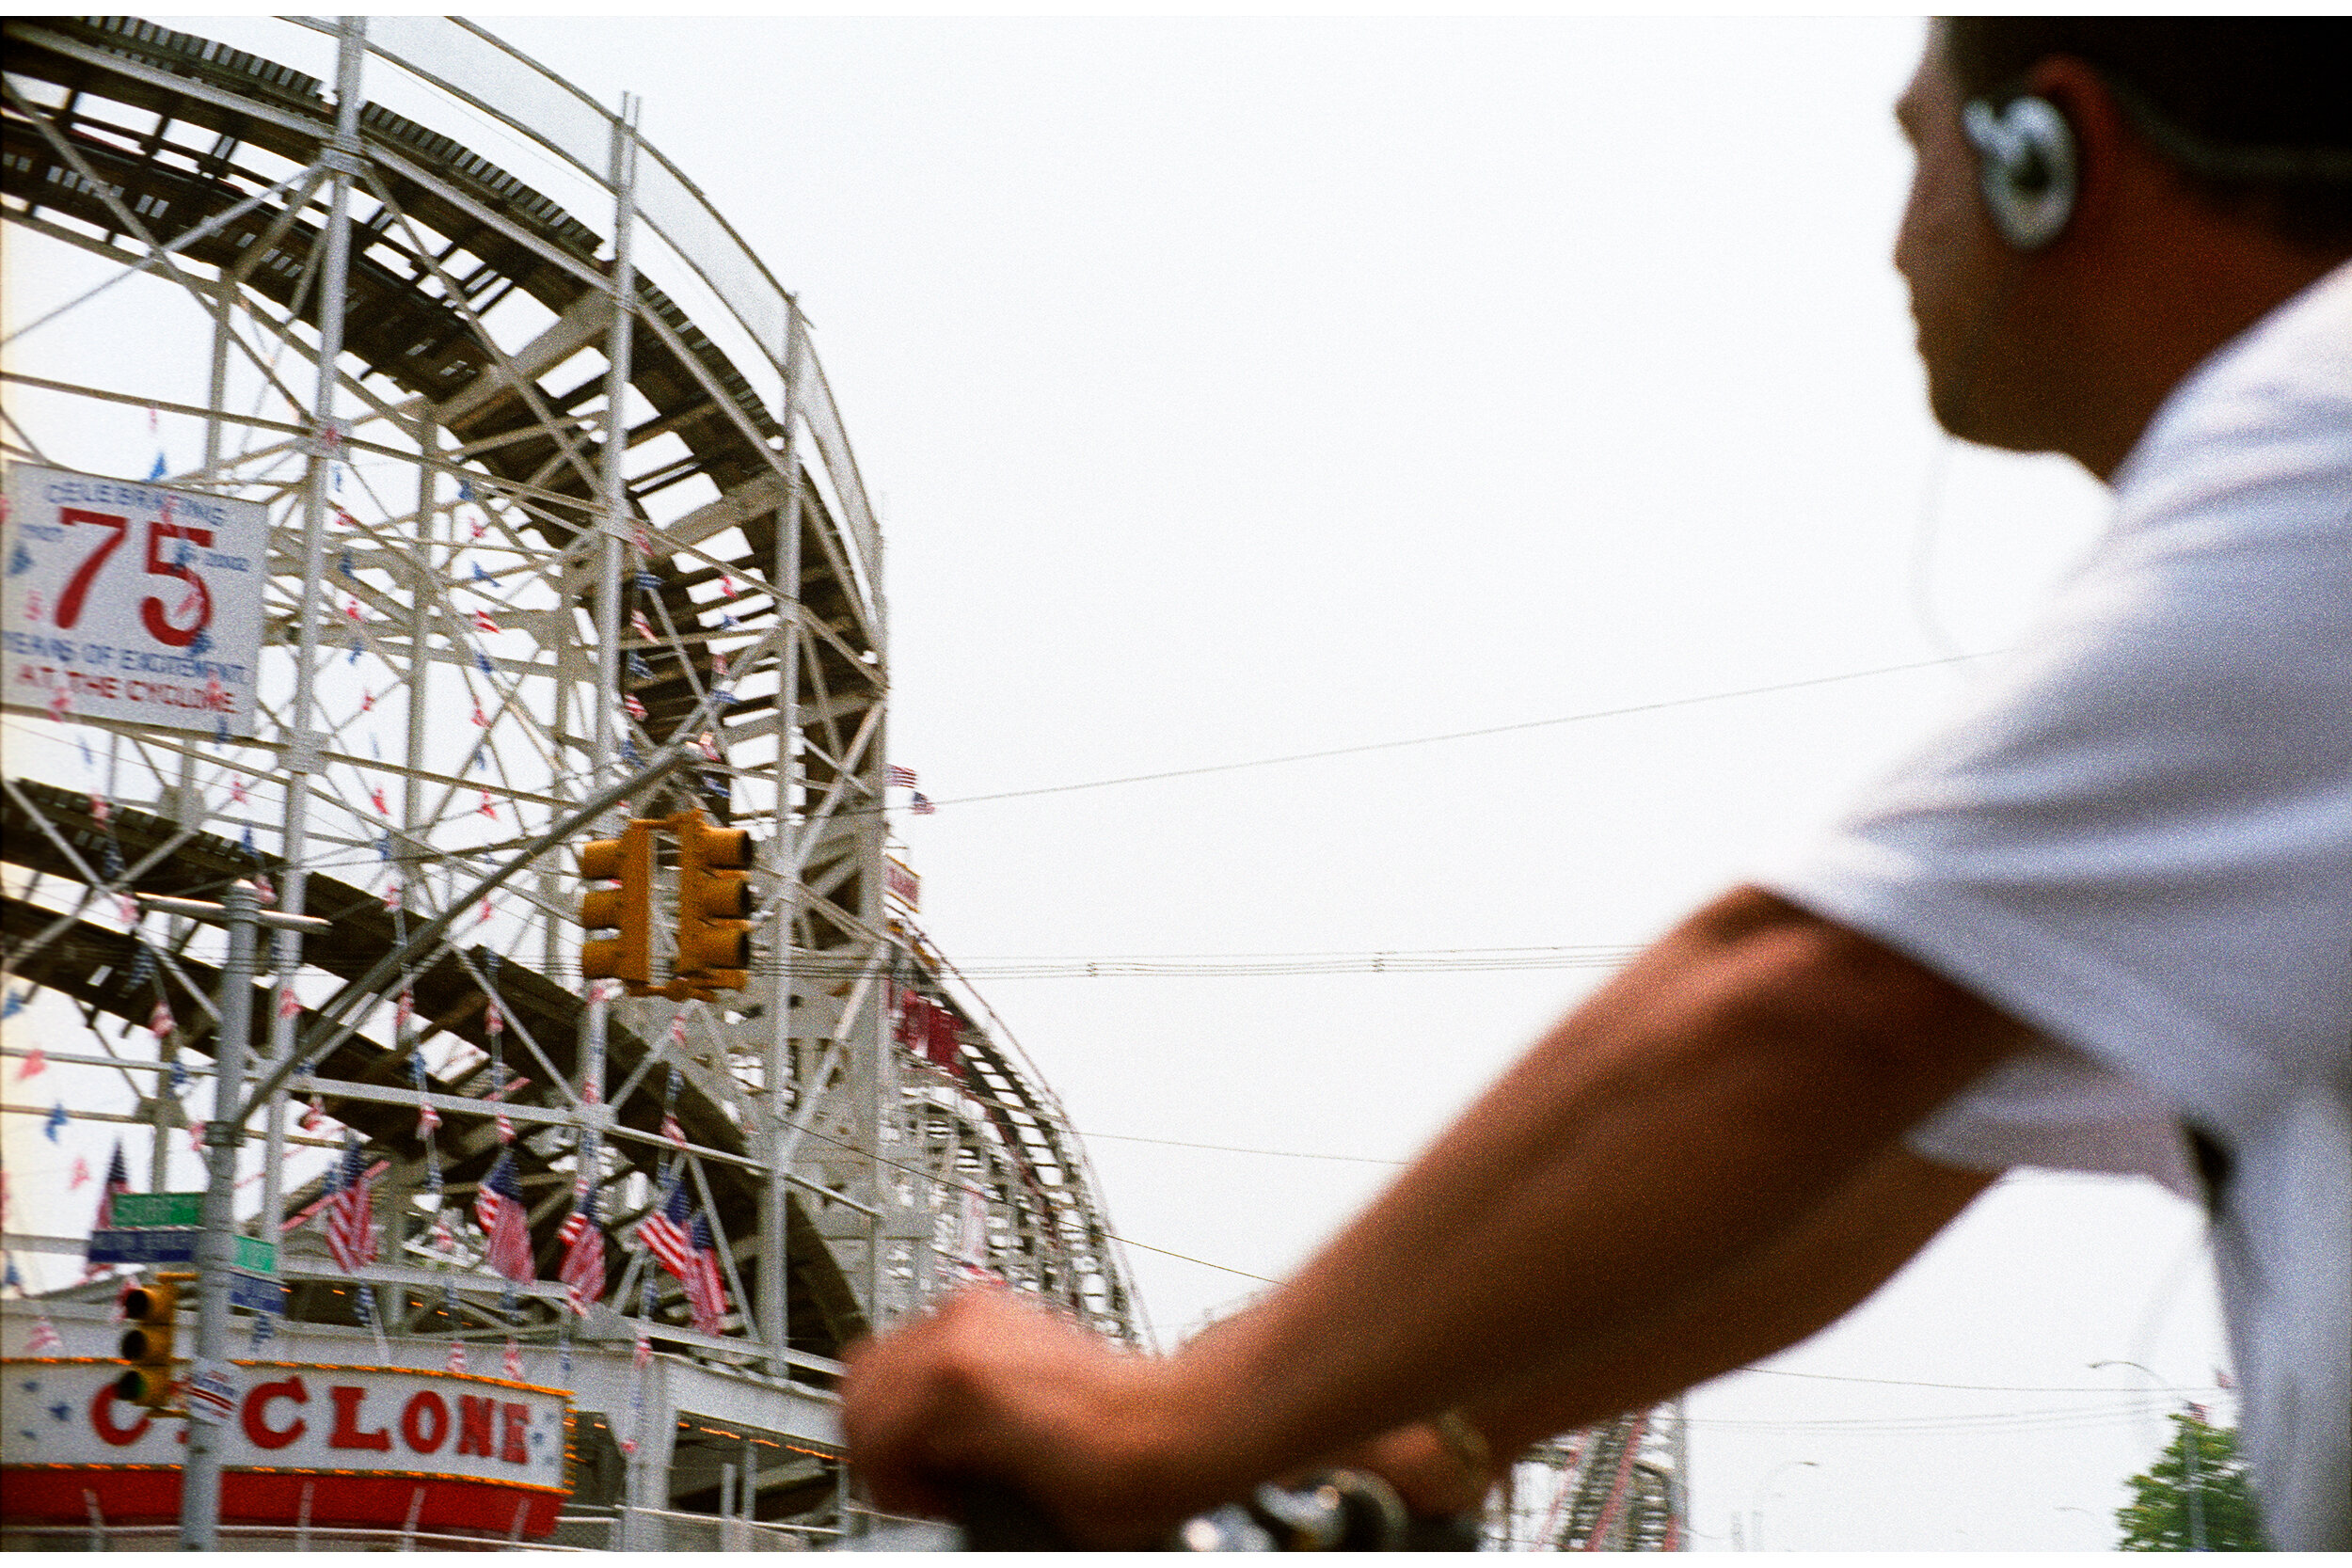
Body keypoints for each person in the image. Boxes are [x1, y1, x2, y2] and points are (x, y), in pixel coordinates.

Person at [842, 17, 2352, 1551]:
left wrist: (1167, 1421)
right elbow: (1901, 1135)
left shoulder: (2325, 424)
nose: (1897, 245)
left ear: (2050, 157)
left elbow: (1817, 1007)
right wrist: (1462, 1424)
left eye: (1920, 155)